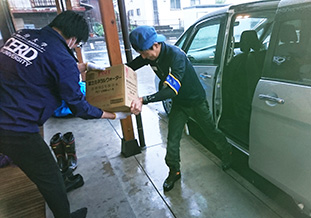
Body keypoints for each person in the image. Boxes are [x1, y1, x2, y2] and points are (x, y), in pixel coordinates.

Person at [0, 10, 129, 218]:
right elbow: (79, 107)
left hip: (6, 113)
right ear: (73, 39)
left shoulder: (21, 35)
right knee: (50, 178)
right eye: (78, 45)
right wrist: (114, 115)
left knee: (42, 171)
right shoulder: (62, 58)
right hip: (16, 128)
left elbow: (42, 66)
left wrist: (83, 67)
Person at [128, 26, 233, 192]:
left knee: (210, 131)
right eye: (140, 53)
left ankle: (226, 152)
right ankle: (174, 171)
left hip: (195, 101)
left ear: (155, 45)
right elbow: (129, 67)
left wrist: (143, 99)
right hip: (180, 104)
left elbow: (170, 90)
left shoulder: (176, 56)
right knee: (173, 138)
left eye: (144, 52)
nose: (142, 57)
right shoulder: (149, 56)